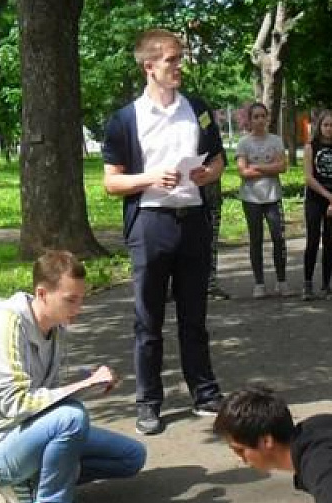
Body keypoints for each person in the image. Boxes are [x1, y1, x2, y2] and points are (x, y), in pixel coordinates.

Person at [0, 251, 148, 503]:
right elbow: (18, 404)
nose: (78, 308)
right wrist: (86, 383)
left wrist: (91, 384)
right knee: (71, 417)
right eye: (70, 300)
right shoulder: (3, 328)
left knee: (131, 457)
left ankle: (35, 482)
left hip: (26, 433)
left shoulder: (55, 328)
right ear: (42, 294)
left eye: (81, 299)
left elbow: (48, 395)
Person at [102, 28, 226, 436]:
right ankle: (148, 402)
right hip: (150, 223)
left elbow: (218, 160)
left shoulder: (198, 109)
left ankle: (205, 393)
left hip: (193, 220)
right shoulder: (125, 120)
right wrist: (151, 177)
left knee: (195, 314)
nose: (179, 66)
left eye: (180, 59)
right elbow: (111, 182)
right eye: (172, 60)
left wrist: (208, 173)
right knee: (148, 318)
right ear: (149, 67)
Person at [237, 102, 292, 298]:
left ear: (268, 118)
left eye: (263, 116)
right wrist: (269, 168)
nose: (260, 120)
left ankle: (281, 281)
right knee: (256, 239)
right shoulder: (244, 143)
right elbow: (243, 171)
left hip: (273, 196)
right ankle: (259, 283)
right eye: (256, 117)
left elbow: (282, 167)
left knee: (278, 237)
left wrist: (257, 167)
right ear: (250, 120)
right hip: (251, 198)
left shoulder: (276, 140)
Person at [301, 109, 332, 301]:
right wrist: (328, 196)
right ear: (319, 126)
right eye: (325, 125)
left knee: (329, 241)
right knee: (313, 240)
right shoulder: (311, 147)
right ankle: (307, 284)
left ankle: (326, 284)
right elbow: (308, 177)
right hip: (316, 198)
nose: (329, 129)